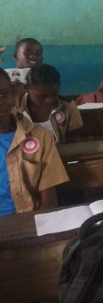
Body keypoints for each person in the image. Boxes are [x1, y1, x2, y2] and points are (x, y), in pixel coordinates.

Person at [0, 69, 68, 216]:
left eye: (2, 95)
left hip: (28, 219)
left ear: (12, 93)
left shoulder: (40, 137)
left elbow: (49, 202)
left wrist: (32, 225)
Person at [17, 64, 83, 143]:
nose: (49, 100)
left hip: (60, 150)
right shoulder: (15, 108)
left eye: (54, 94)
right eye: (42, 96)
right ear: (26, 88)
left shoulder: (68, 107)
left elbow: (74, 141)